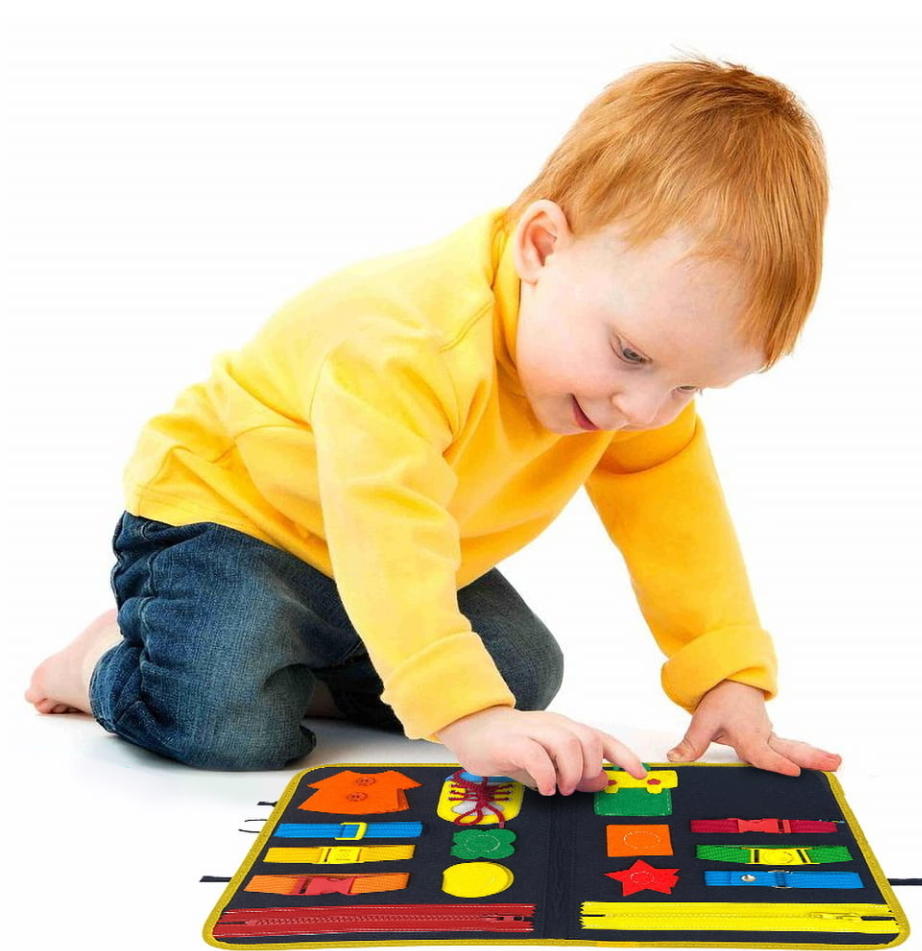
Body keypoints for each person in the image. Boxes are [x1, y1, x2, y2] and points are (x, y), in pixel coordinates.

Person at [25, 56, 841, 793]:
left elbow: (676, 514)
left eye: (692, 387)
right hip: (231, 524)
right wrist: (462, 716)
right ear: (542, 245)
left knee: (521, 675)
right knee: (225, 724)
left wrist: (726, 676)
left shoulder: (633, 389)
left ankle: (297, 656)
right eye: (630, 353)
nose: (645, 409)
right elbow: (386, 523)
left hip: (379, 562)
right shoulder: (406, 343)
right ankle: (102, 659)